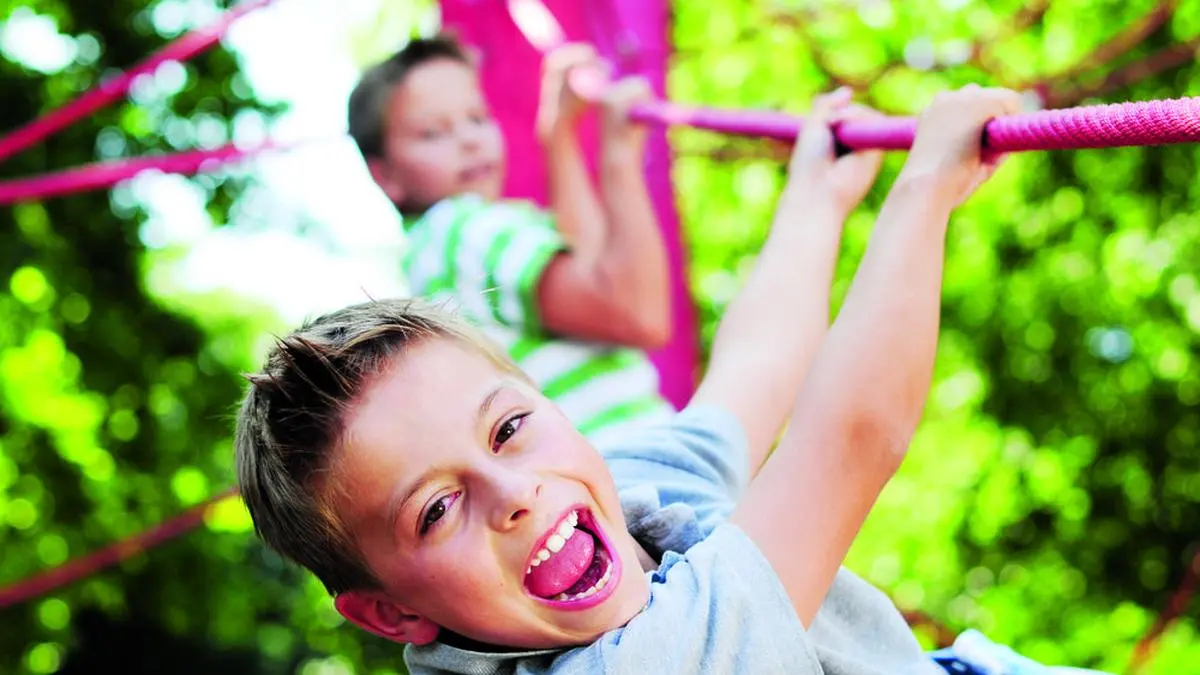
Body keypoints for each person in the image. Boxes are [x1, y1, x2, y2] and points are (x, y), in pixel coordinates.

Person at [237, 86, 1085, 673]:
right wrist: (926, 187)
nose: (514, 491)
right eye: (434, 509)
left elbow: (753, 369)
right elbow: (850, 443)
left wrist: (816, 201)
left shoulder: (626, 489)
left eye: (506, 429)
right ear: (392, 614)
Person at [347, 35, 675, 446]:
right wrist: (620, 157)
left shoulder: (436, 255)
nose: (469, 139)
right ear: (386, 175)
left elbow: (588, 266)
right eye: (432, 132)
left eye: (478, 117)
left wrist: (559, 137)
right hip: (636, 454)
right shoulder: (464, 229)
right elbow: (636, 312)